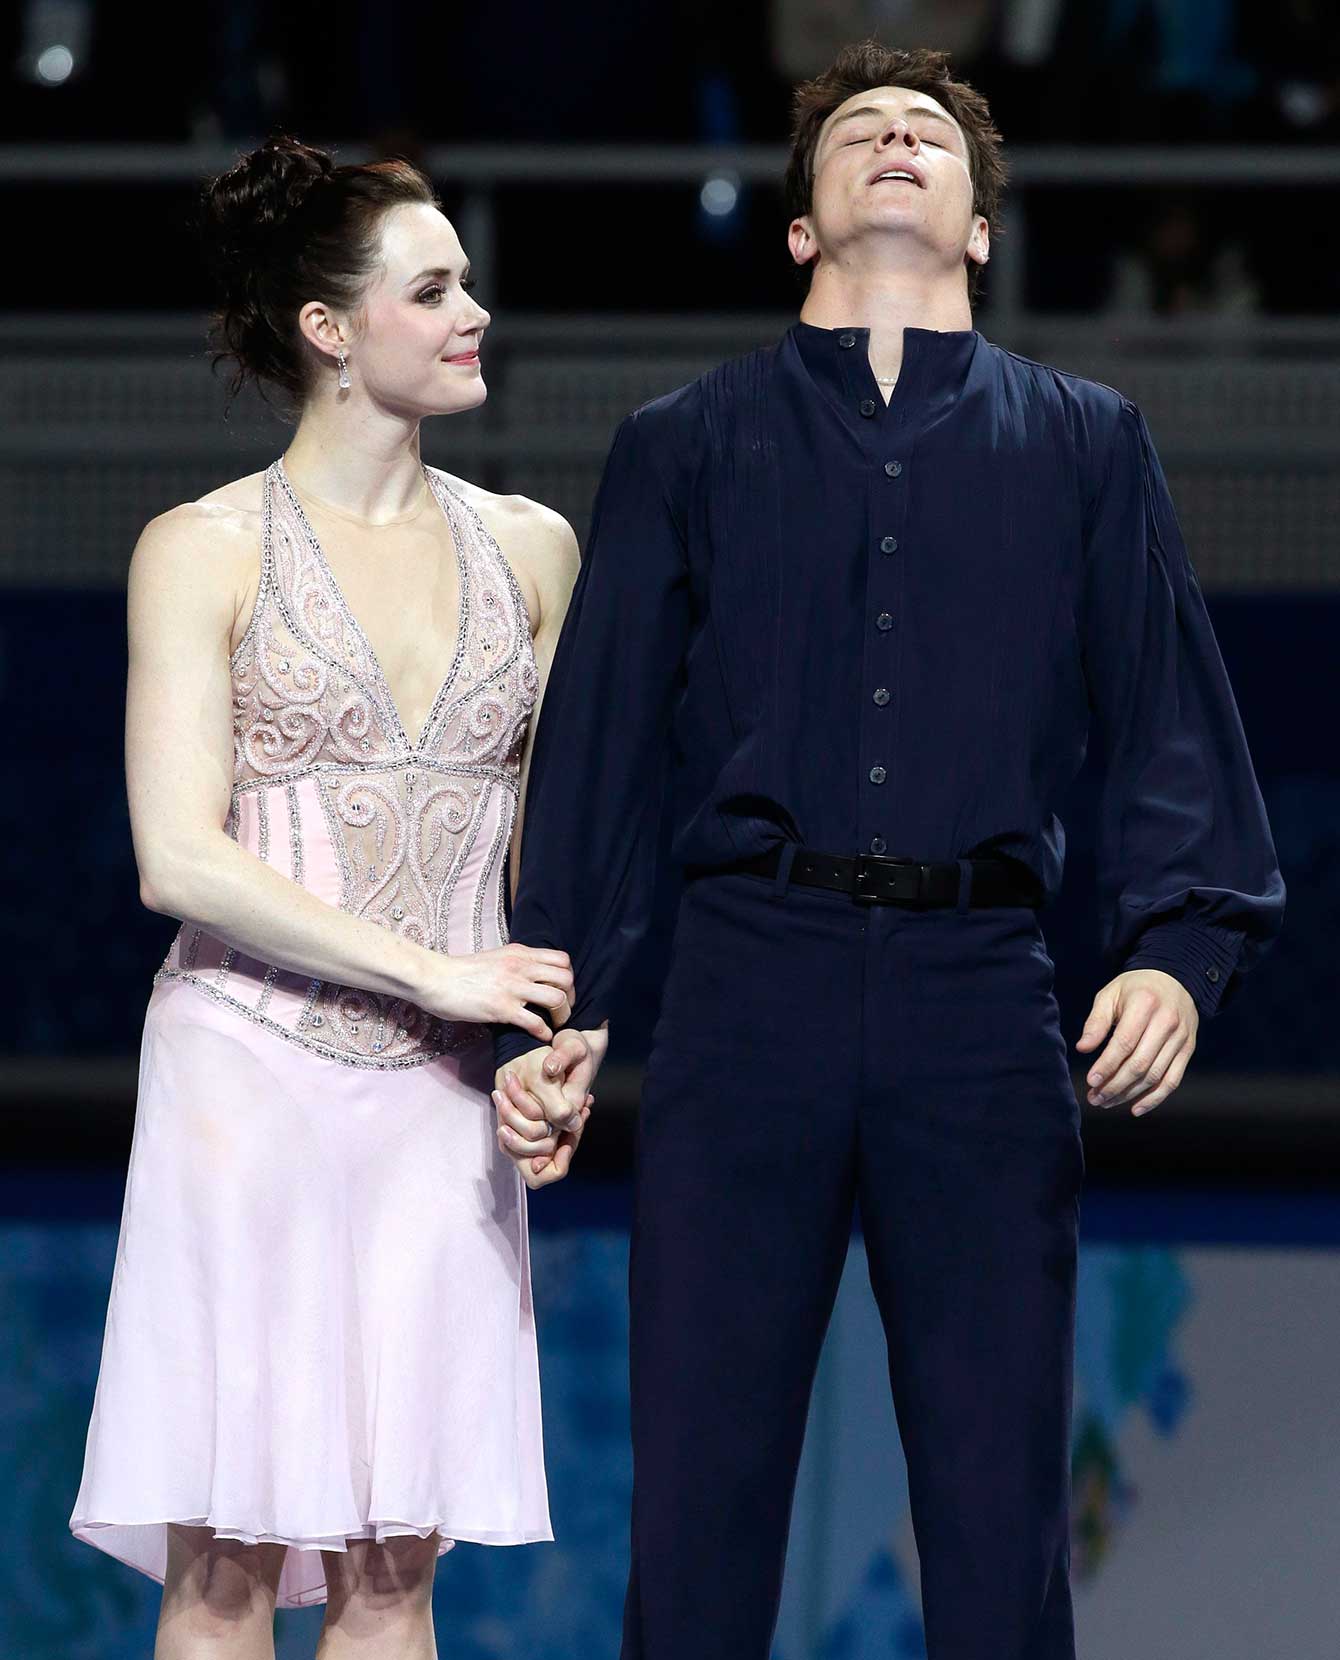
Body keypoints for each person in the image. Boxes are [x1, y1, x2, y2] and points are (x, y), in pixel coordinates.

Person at [490, 40, 1285, 1660]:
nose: (901, 140)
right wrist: (556, 1004)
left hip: (980, 999)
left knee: (1000, 1523)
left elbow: (1169, 723)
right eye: (862, 131)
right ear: (800, 228)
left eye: (932, 132)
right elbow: (605, 753)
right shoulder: (682, 444)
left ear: (982, 224)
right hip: (744, 990)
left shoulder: (1089, 445)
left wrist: (1180, 954)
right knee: (700, 1514)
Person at [69, 135, 591, 1659]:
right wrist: (438, 976)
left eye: (467, 283)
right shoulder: (201, 549)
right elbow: (180, 857)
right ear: (331, 331)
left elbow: (550, 856)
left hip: (442, 1099)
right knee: (225, 1566)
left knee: (394, 1570)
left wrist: (567, 1046)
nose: (472, 311)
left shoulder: (536, 548)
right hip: (248, 1074)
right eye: (433, 290)